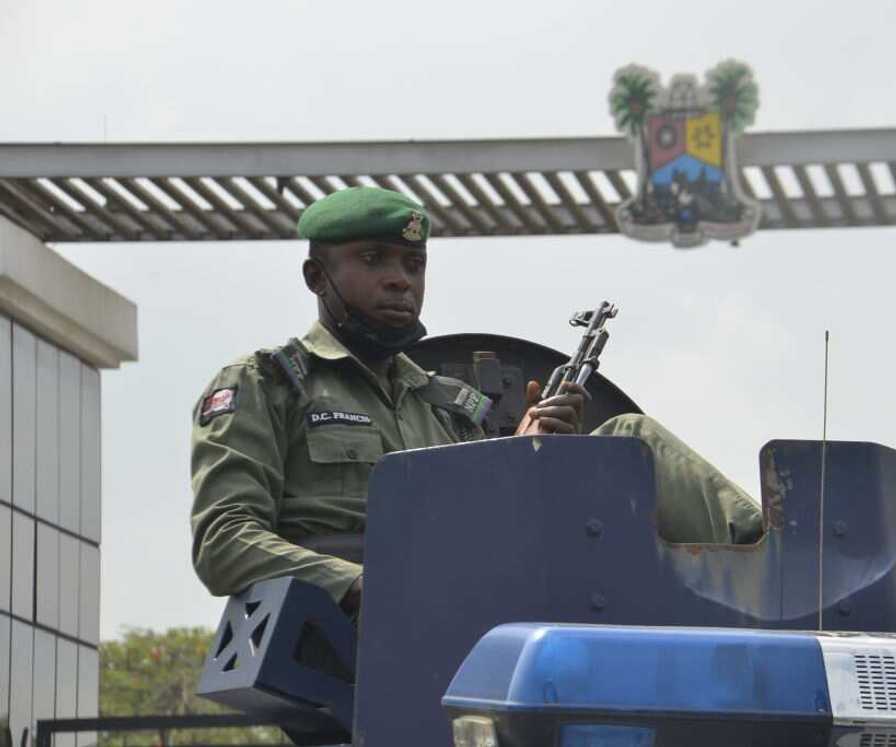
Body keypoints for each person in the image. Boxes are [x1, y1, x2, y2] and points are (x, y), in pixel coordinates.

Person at [190, 187, 762, 616]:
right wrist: (362, 585)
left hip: (474, 593)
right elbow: (224, 540)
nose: (400, 280)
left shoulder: (446, 404)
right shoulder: (268, 384)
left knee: (624, 440)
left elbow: (487, 520)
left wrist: (530, 458)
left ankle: (771, 557)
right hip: (366, 623)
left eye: (413, 264)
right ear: (317, 276)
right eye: (373, 260)